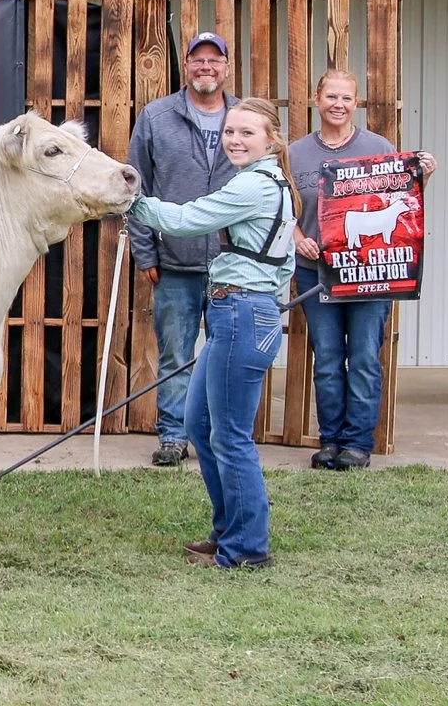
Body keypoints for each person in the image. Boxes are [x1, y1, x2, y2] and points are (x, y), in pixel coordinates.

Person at [128, 97, 299, 569]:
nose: (234, 140)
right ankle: (228, 530)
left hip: (241, 314)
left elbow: (186, 221)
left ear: (271, 140)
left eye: (247, 133)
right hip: (239, 312)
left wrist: (130, 201)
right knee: (201, 426)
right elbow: (284, 260)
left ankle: (246, 548)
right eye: (229, 131)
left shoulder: (254, 185)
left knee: (230, 436)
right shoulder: (271, 182)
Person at [289, 69, 438, 471]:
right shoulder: (295, 153)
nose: (338, 105)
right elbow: (283, 208)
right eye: (331, 96)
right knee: (327, 357)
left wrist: (423, 174)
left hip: (370, 272)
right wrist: (298, 237)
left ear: (356, 103)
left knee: (364, 356)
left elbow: (401, 196)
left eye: (346, 98)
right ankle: (330, 441)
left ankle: (357, 444)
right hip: (316, 269)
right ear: (316, 99)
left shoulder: (378, 146)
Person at [127, 31, 239, 466]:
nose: (206, 67)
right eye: (198, 60)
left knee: (228, 356)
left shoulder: (243, 117)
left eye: (215, 60)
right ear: (186, 66)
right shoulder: (156, 117)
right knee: (176, 355)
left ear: (226, 68)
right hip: (174, 263)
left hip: (233, 263)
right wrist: (145, 252)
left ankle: (221, 436)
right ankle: (173, 436)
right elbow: (136, 188)